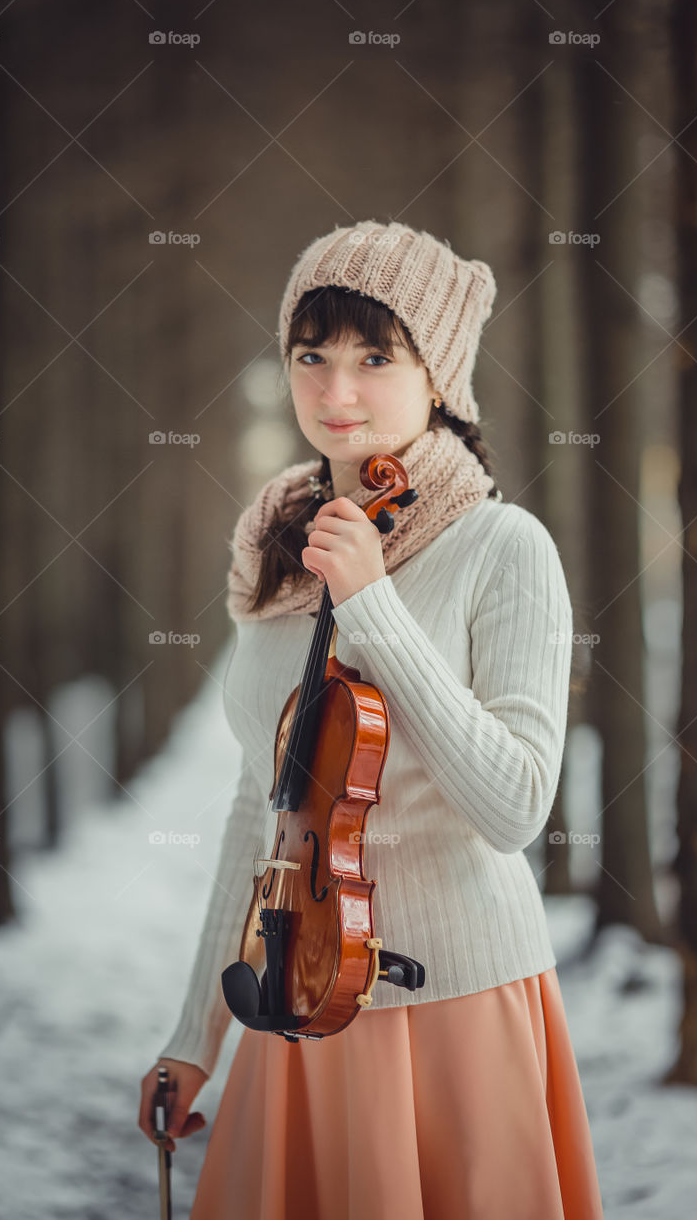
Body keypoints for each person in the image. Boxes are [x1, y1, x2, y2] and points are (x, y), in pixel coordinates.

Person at [138, 220, 605, 1219]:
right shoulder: (277, 551)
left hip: (458, 1012)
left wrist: (375, 608)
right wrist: (194, 1035)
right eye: (311, 355)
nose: (334, 390)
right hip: (298, 1000)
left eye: (373, 357)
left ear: (437, 375)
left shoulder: (503, 546)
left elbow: (516, 806)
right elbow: (260, 812)